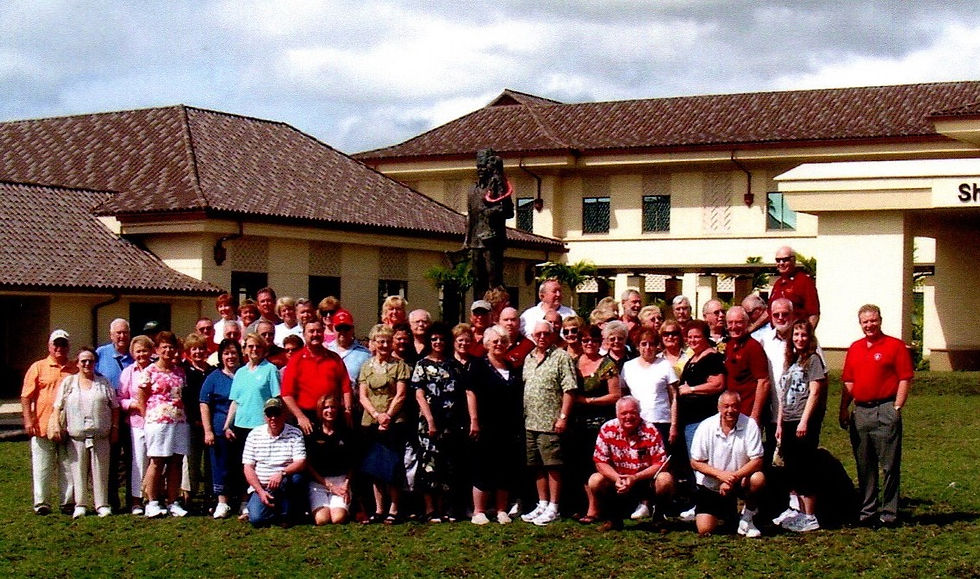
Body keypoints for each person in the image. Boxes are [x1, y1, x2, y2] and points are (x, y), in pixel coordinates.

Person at [840, 304, 913, 528]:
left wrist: (897, 406)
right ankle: (867, 511)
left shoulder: (894, 346)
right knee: (865, 465)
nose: (869, 325)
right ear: (860, 324)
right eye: (865, 322)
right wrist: (843, 408)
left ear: (880, 320)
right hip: (861, 412)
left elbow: (905, 377)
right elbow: (848, 381)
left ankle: (889, 513)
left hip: (885, 409)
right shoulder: (855, 348)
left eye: (873, 320)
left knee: (889, 465)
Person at [412, 322, 471, 522]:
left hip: (451, 423)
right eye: (434, 339)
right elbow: (419, 394)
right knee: (429, 464)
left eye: (442, 339)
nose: (438, 342)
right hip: (429, 423)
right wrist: (430, 420)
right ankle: (430, 510)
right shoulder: (422, 365)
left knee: (448, 466)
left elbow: (463, 393)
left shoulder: (453, 365)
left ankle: (445, 509)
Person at [520, 320, 577, 526]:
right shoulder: (529, 358)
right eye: (538, 334)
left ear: (553, 335)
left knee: (553, 465)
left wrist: (563, 417)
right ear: (532, 336)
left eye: (546, 333)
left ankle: (554, 506)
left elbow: (569, 389)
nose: (542, 337)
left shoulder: (561, 357)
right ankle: (542, 503)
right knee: (536, 466)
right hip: (531, 422)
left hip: (551, 422)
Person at [589, 396, 674, 531]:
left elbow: (661, 463)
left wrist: (635, 477)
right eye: (624, 413)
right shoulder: (607, 428)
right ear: (617, 414)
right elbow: (600, 461)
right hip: (618, 480)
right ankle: (613, 519)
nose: (628, 417)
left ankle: (659, 518)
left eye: (633, 413)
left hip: (644, 480)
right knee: (595, 480)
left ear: (639, 413)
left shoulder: (650, 430)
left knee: (665, 479)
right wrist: (616, 478)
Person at [53, 347, 119, 518]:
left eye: (91, 361)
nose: (87, 364)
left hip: (100, 435)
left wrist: (114, 428)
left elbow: (115, 407)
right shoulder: (69, 382)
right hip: (76, 437)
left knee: (101, 472)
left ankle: (102, 505)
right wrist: (57, 426)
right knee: (78, 472)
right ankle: (80, 504)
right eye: (83, 361)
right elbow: (58, 406)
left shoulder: (103, 382)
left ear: (95, 363)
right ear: (77, 363)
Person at [689, 391, 766, 537]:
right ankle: (729, 512)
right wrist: (721, 476)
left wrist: (732, 478)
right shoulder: (706, 426)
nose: (730, 410)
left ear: (740, 407)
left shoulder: (750, 425)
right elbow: (695, 462)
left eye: (734, 406)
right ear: (719, 408)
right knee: (705, 529)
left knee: (758, 478)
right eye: (726, 406)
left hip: (740, 481)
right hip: (712, 484)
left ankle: (748, 517)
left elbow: (757, 461)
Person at [467, 326, 524, 525]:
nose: (499, 344)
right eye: (495, 341)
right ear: (487, 344)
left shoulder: (512, 366)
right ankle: (479, 511)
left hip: (508, 426)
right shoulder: (478, 365)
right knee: (483, 466)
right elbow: (470, 392)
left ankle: (501, 510)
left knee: (504, 467)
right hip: (485, 424)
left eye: (503, 341)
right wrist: (474, 420)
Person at [775, 320, 827, 532]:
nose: (799, 339)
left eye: (803, 335)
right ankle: (797, 510)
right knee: (792, 468)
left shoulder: (813, 360)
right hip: (787, 420)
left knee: (805, 468)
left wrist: (804, 421)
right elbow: (783, 394)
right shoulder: (791, 360)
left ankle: (810, 516)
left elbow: (815, 392)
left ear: (810, 337)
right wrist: (779, 423)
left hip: (803, 421)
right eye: (796, 335)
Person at [224, 332, 282, 519]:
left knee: (261, 467)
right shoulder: (240, 373)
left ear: (264, 349)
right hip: (241, 426)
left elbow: (277, 398)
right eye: (250, 346)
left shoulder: (270, 370)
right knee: (245, 466)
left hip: (261, 426)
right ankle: (245, 502)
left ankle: (262, 501)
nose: (254, 350)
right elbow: (235, 401)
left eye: (258, 346)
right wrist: (227, 425)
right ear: (245, 350)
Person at [674, 320, 727, 521]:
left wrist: (691, 389)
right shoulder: (693, 358)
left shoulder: (712, 358)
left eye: (697, 336)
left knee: (701, 462)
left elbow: (718, 384)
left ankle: (704, 505)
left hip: (702, 418)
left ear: (706, 338)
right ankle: (699, 502)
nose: (693, 340)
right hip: (689, 419)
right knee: (693, 462)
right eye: (690, 337)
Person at [358, 324, 411, 524]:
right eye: (380, 341)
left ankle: (394, 509)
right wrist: (376, 415)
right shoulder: (366, 366)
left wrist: (387, 416)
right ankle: (379, 509)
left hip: (394, 422)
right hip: (371, 422)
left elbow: (401, 395)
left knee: (392, 466)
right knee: (374, 467)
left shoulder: (400, 365)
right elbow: (362, 396)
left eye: (388, 341)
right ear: (373, 343)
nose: (384, 345)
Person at [22, 329, 78, 515]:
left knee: (68, 466)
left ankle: (67, 502)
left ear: (68, 346)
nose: (59, 347)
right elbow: (26, 397)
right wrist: (28, 420)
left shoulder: (75, 369)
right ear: (49, 346)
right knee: (42, 467)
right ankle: (42, 503)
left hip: (68, 426)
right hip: (42, 425)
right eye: (56, 344)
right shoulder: (38, 367)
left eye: (63, 344)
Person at [571, 325, 621, 524]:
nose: (589, 344)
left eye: (594, 340)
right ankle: (585, 505)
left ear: (600, 342)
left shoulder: (607, 364)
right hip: (577, 423)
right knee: (580, 465)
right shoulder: (574, 363)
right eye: (585, 340)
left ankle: (597, 509)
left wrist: (589, 401)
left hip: (600, 424)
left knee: (598, 465)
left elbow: (615, 395)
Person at [140, 331, 190, 518]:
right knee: (157, 462)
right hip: (157, 423)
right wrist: (148, 418)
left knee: (176, 461)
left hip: (179, 422)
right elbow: (142, 396)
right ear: (157, 349)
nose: (168, 350)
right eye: (164, 347)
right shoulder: (149, 371)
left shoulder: (179, 371)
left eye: (171, 347)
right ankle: (152, 502)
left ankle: (172, 501)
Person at [242, 397, 307, 527]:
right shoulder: (254, 434)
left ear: (284, 415)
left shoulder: (295, 433)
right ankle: (280, 511)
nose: (273, 418)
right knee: (256, 520)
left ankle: (286, 513)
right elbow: (248, 467)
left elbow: (301, 462)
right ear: (264, 417)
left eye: (276, 413)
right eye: (269, 414)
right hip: (262, 486)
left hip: (284, 482)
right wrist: (260, 491)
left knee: (297, 478)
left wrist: (281, 473)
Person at [281, 320, 353, 434]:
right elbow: (286, 394)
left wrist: (347, 410)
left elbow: (346, 388)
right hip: (307, 418)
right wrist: (300, 417)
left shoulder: (334, 358)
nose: (315, 334)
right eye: (311, 331)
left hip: (332, 415)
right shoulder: (296, 360)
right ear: (304, 334)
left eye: (318, 331)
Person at [199, 338, 242, 519]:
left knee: (242, 465)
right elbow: (204, 403)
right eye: (226, 353)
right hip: (218, 431)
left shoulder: (245, 374)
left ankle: (244, 501)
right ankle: (222, 502)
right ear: (221, 356)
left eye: (233, 353)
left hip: (243, 428)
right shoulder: (214, 377)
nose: (230, 357)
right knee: (220, 466)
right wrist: (208, 430)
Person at [462, 148, 514, 296]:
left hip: (492, 240)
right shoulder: (472, 189)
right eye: (478, 167)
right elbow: (470, 216)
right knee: (477, 279)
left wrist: (492, 212)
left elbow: (509, 211)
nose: (480, 170)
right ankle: (480, 305)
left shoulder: (498, 186)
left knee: (494, 278)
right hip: (475, 241)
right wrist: (466, 240)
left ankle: (495, 304)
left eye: (484, 166)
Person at [94, 318, 133, 512]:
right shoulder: (101, 354)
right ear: (111, 335)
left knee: (132, 459)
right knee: (110, 459)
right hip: (108, 416)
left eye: (125, 332)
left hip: (132, 417)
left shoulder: (135, 353)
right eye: (118, 333)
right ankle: (110, 500)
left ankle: (133, 500)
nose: (122, 336)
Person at [117, 334, 155, 514]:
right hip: (136, 422)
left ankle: (154, 498)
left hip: (157, 421)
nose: (141, 355)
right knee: (139, 460)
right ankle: (137, 500)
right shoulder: (128, 372)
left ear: (151, 351)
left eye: (145, 351)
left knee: (157, 459)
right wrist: (134, 405)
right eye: (138, 351)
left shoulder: (157, 369)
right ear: (132, 353)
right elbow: (120, 398)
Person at [306, 395, 355, 525]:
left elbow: (353, 462)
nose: (330, 411)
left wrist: (346, 485)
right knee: (322, 519)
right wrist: (328, 485)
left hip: (341, 482)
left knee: (338, 518)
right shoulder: (313, 432)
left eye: (333, 407)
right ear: (320, 410)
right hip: (319, 483)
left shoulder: (346, 432)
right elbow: (308, 464)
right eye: (326, 407)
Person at [181, 332, 214, 509]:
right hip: (190, 423)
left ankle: (210, 494)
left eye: (201, 348)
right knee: (190, 462)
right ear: (188, 351)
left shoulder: (212, 371)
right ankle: (188, 495)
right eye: (194, 349)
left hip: (209, 423)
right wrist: (194, 419)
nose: (198, 352)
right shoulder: (184, 371)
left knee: (210, 462)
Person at [724, 307, 769, 424]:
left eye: (738, 322)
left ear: (747, 323)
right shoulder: (730, 345)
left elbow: (763, 382)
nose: (734, 326)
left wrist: (755, 415)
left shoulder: (753, 347)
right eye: (730, 323)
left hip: (748, 412)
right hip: (732, 411)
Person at [770, 246, 820, 328]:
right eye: (778, 260)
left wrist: (808, 333)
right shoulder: (777, 284)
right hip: (778, 333)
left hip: (795, 333)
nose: (781, 263)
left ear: (793, 260)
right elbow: (769, 311)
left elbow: (813, 313)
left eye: (785, 260)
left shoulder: (804, 281)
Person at [328, 309, 371, 390]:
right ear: (333, 328)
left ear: (352, 329)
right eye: (339, 328)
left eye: (346, 328)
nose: (343, 332)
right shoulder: (326, 351)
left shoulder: (365, 355)